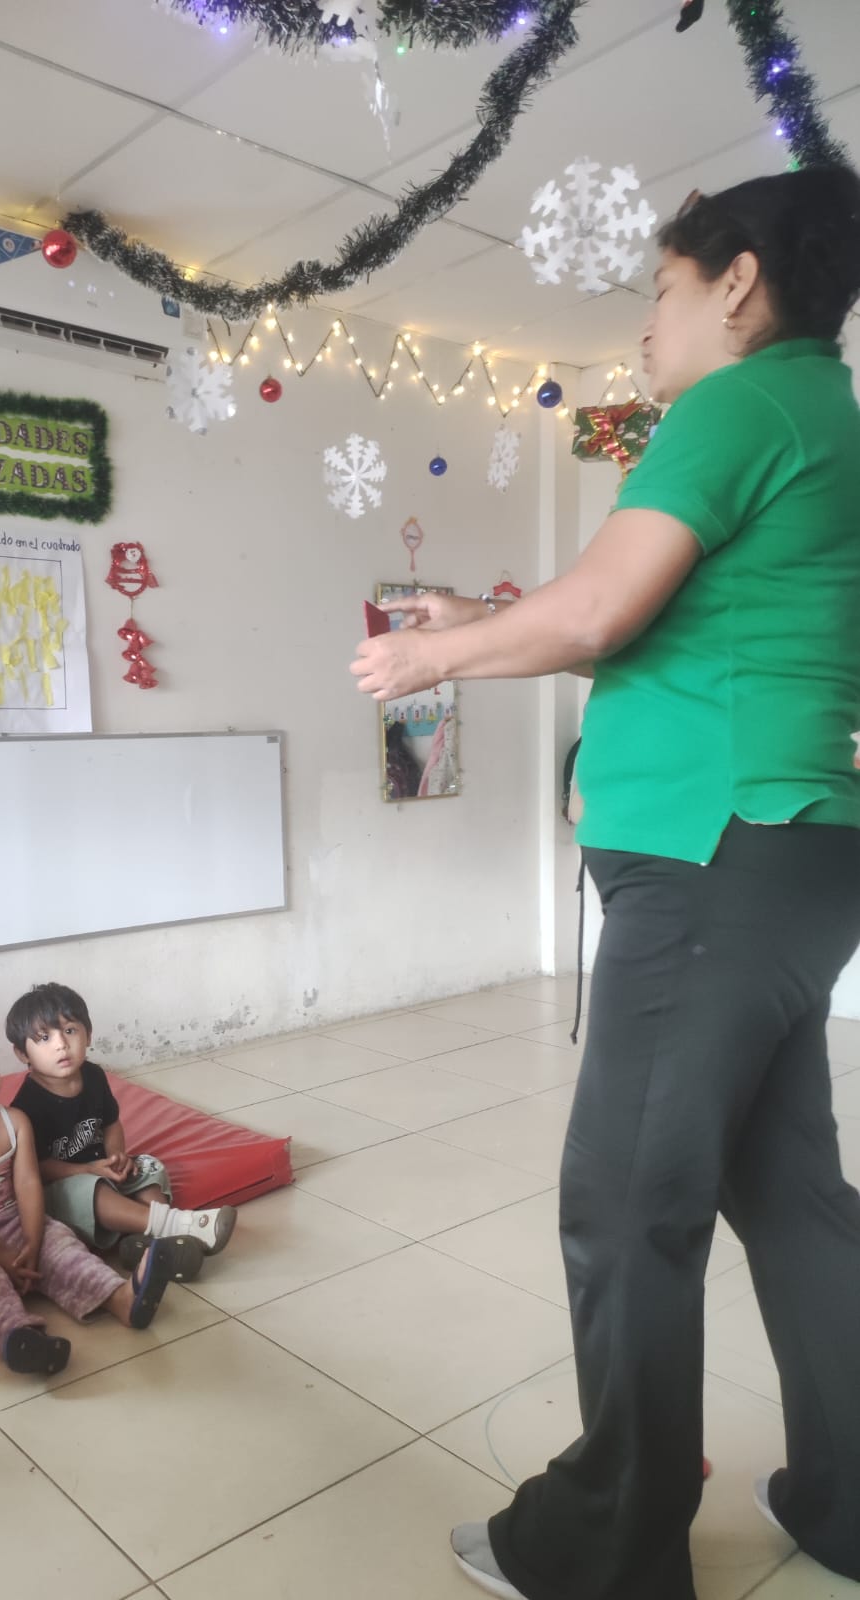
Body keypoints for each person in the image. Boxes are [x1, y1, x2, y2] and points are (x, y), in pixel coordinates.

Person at [351, 164, 860, 1600]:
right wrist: (493, 613)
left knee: (627, 1201)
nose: (645, 323)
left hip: (712, 864)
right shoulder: (823, 411)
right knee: (789, 1192)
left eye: (661, 289)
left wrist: (430, 655)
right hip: (789, 852)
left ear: (738, 284)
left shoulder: (735, 405)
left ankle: (606, 1550)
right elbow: (665, 623)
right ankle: (852, 1497)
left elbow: (601, 613)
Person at [0, 1022, 193, 1376]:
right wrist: (0, 1259)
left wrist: (33, 1239)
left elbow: (28, 1184)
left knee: (64, 1248)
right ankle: (19, 1337)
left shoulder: (16, 1121)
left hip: (14, 1221)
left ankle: (122, 1298)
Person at [5, 982, 236, 1272]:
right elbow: (37, 1168)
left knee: (148, 1166)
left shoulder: (93, 1075)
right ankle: (176, 1225)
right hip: (65, 1186)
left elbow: (111, 1123)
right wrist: (88, 1170)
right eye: (44, 1038)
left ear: (88, 1034)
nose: (60, 1044)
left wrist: (117, 1156)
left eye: (70, 1030)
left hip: (103, 1169)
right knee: (91, 1190)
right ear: (22, 1054)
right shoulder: (27, 1107)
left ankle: (150, 1239)